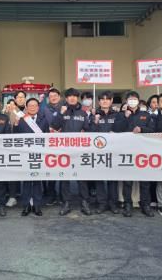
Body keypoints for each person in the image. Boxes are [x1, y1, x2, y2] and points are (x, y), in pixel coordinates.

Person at [51, 88, 92, 216]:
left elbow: (88, 129)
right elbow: (54, 126)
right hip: (65, 149)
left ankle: (84, 202)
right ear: (66, 98)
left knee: (82, 177)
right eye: (70, 96)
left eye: (75, 96)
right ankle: (66, 203)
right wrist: (61, 114)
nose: (72, 98)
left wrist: (86, 130)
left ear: (77, 98)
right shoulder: (61, 110)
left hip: (80, 149)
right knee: (65, 177)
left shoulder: (83, 112)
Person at [90, 91, 126, 215]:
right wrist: (95, 121)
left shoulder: (118, 115)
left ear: (111, 101)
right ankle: (101, 203)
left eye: (107, 99)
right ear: (99, 101)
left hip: (113, 151)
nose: (105, 101)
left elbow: (122, 129)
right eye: (102, 99)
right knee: (99, 179)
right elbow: (89, 132)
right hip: (98, 151)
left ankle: (113, 203)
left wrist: (115, 133)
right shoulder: (93, 115)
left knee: (112, 179)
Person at [13, 98, 50, 216]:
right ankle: (26, 205)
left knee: (38, 180)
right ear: (26, 107)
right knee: (27, 180)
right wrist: (15, 124)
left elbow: (47, 138)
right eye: (30, 105)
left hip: (39, 154)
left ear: (38, 108)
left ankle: (37, 205)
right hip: (25, 154)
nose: (32, 107)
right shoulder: (21, 120)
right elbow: (15, 137)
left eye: (35, 105)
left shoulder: (44, 120)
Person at [121, 91, 155, 217]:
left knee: (144, 181)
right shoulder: (121, 115)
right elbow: (117, 130)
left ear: (138, 101)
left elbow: (153, 130)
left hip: (143, 152)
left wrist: (142, 129)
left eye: (134, 99)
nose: (132, 101)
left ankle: (145, 205)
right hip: (126, 152)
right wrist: (125, 117)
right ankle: (127, 204)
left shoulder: (146, 115)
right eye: (130, 99)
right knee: (127, 181)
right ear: (126, 101)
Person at [42, 88, 63, 205]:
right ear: (48, 98)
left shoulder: (65, 108)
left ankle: (63, 195)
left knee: (64, 169)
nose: (53, 98)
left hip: (64, 143)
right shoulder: (44, 109)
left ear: (59, 97)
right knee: (51, 169)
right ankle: (51, 194)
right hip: (49, 143)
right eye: (51, 96)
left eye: (55, 95)